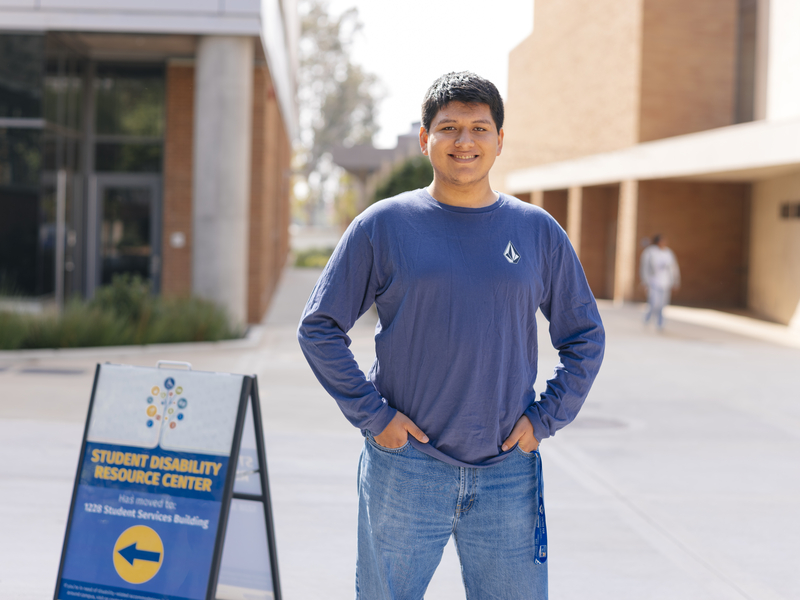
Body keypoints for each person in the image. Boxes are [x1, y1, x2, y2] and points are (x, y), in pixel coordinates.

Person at [297, 71, 605, 600]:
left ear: (500, 140)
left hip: (508, 471)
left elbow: (585, 337)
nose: (465, 141)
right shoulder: (384, 225)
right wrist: (376, 418)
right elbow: (319, 327)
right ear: (425, 138)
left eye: (480, 128)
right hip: (406, 469)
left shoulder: (537, 231)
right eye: (449, 128)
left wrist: (545, 418)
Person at [640, 234, 681, 329]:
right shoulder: (650, 252)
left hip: (665, 282)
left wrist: (676, 281)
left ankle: (660, 324)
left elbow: (674, 268)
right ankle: (647, 319)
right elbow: (644, 268)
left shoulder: (668, 253)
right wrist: (644, 282)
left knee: (663, 304)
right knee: (654, 303)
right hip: (653, 282)